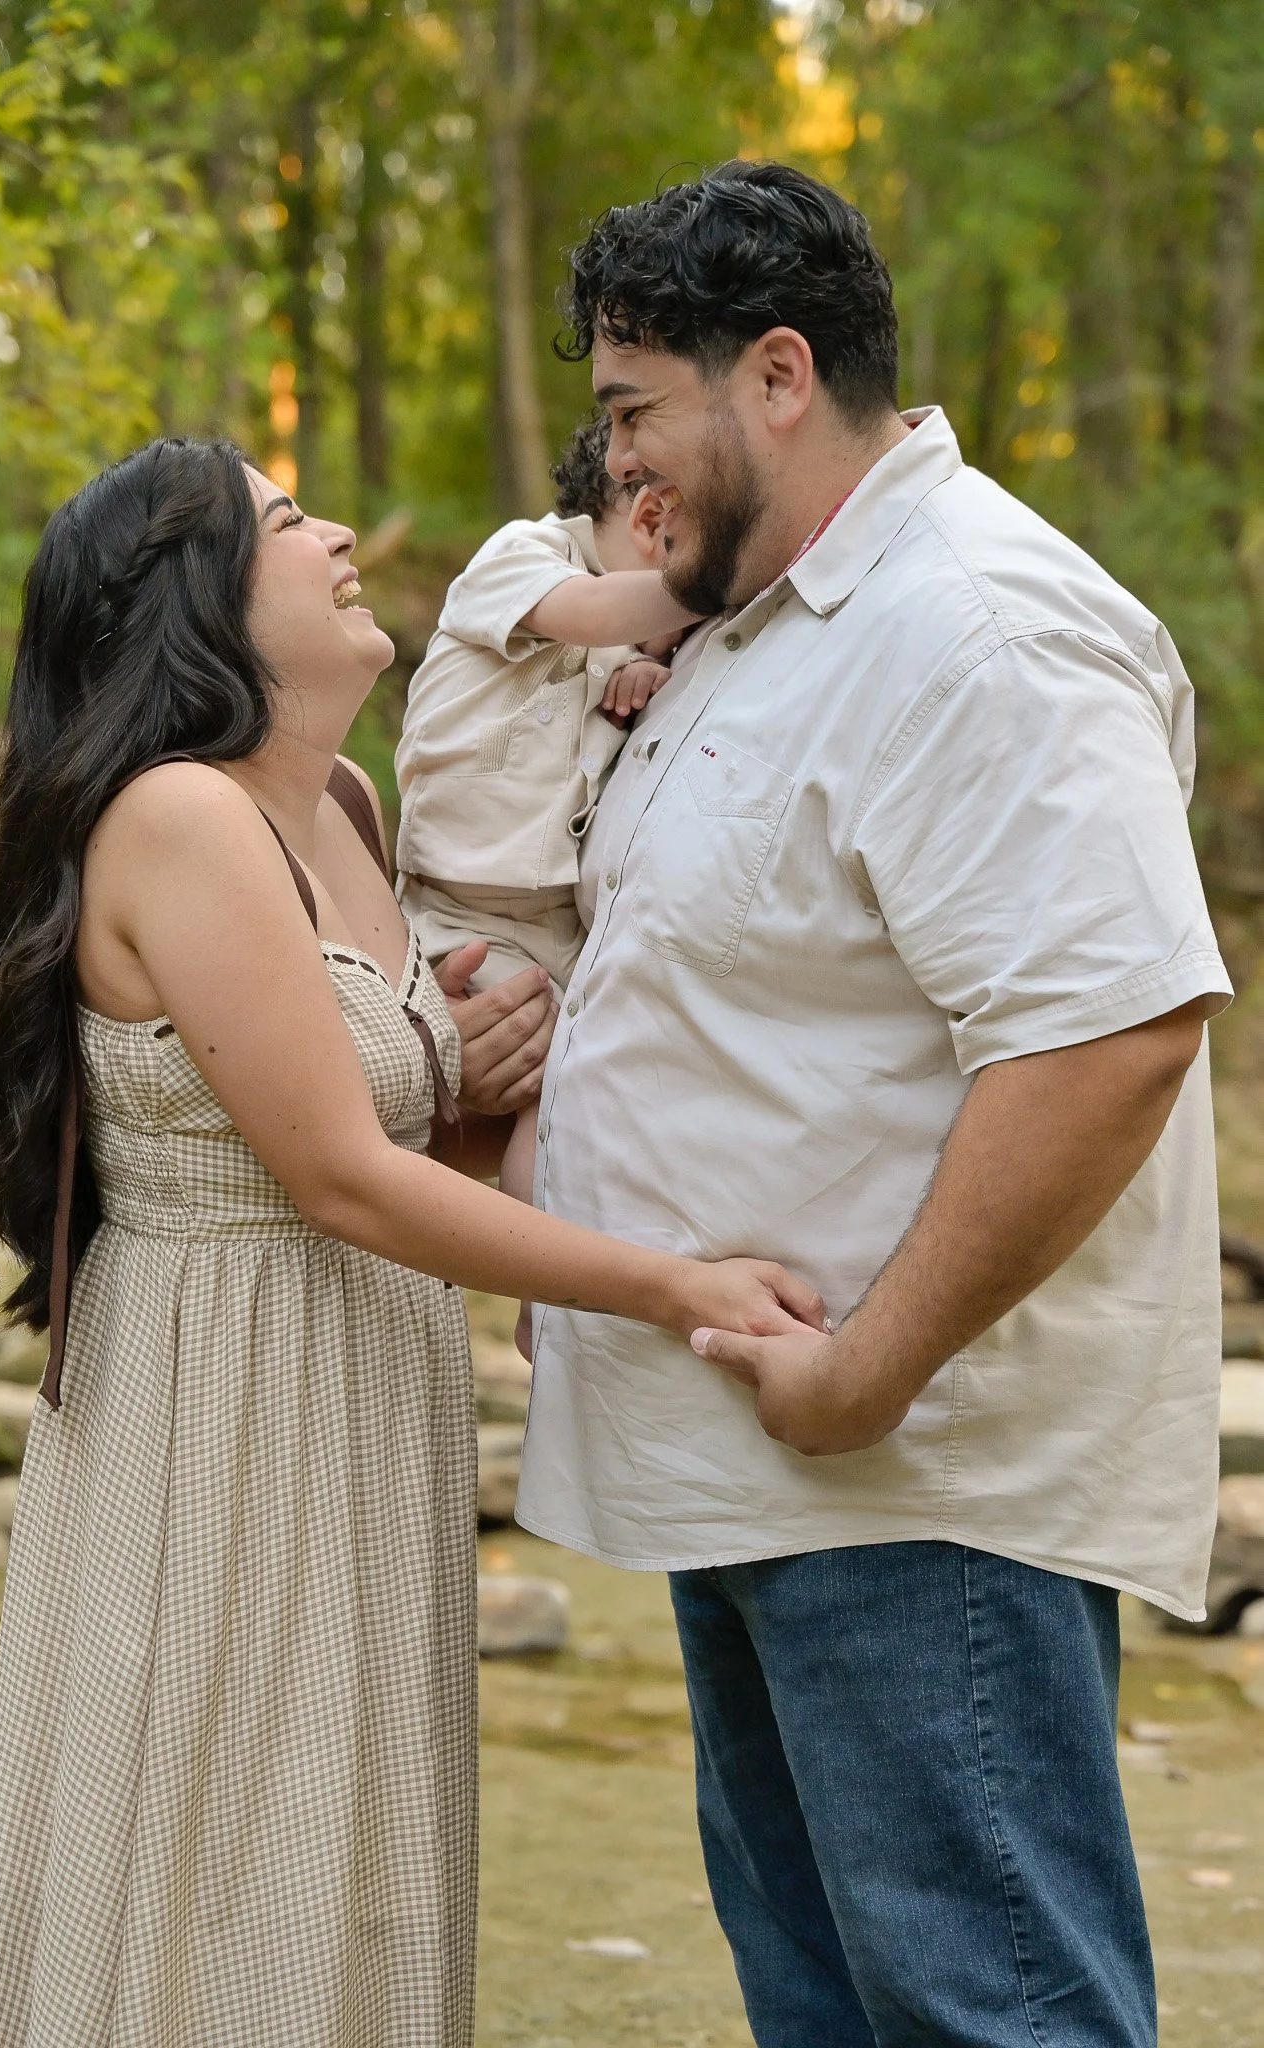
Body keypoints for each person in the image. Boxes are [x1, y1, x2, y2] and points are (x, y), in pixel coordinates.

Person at [0, 435, 818, 2048]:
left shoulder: (345, 804)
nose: (341, 533)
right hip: (219, 1406)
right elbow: (342, 1176)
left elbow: (397, 1137)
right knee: (223, 1835)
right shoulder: (180, 817)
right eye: (287, 521)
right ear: (194, 598)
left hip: (360, 1378)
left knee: (345, 1829)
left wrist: (487, 1085)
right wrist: (671, 1284)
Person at [514, 161, 1232, 2048]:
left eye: (631, 411)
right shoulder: (763, 626)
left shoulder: (979, 627)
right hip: (761, 1465)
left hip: (911, 1487)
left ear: (774, 375)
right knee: (831, 2012)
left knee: (989, 2018)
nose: (618, 466)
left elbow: (1108, 1033)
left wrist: (874, 1365)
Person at [394, 410, 695, 1003]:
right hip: (461, 908)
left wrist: (636, 673)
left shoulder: (622, 642)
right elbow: (595, 613)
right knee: (519, 1046)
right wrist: (721, 583)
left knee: (569, 1049)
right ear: (649, 520)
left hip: (565, 922)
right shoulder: (521, 557)